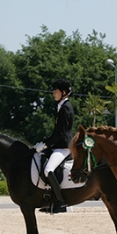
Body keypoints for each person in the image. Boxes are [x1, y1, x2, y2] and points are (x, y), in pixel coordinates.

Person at [34, 79, 75, 214]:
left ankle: (61, 202)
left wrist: (46, 144)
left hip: (63, 146)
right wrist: (45, 143)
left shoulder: (66, 108)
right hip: (57, 145)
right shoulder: (61, 106)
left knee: (48, 169)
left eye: (55, 91)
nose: (53, 93)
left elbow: (61, 133)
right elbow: (56, 132)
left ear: (63, 92)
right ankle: (48, 198)